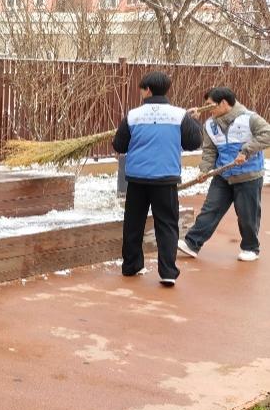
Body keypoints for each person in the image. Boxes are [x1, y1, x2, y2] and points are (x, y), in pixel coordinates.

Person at [111, 71, 203, 286]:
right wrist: (194, 122)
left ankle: (131, 266)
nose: (141, 93)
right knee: (167, 225)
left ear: (148, 90)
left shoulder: (133, 116)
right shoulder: (179, 115)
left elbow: (119, 145)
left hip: (137, 179)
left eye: (142, 89)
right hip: (165, 179)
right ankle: (168, 272)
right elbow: (193, 143)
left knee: (133, 224)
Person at [178, 87, 268, 261]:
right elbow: (210, 150)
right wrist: (204, 170)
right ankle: (192, 243)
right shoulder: (210, 125)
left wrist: (246, 151)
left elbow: (267, 134)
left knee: (247, 215)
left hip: (248, 175)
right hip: (223, 176)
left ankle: (250, 248)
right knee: (210, 209)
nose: (208, 109)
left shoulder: (250, 118)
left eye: (210, 105)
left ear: (224, 103)